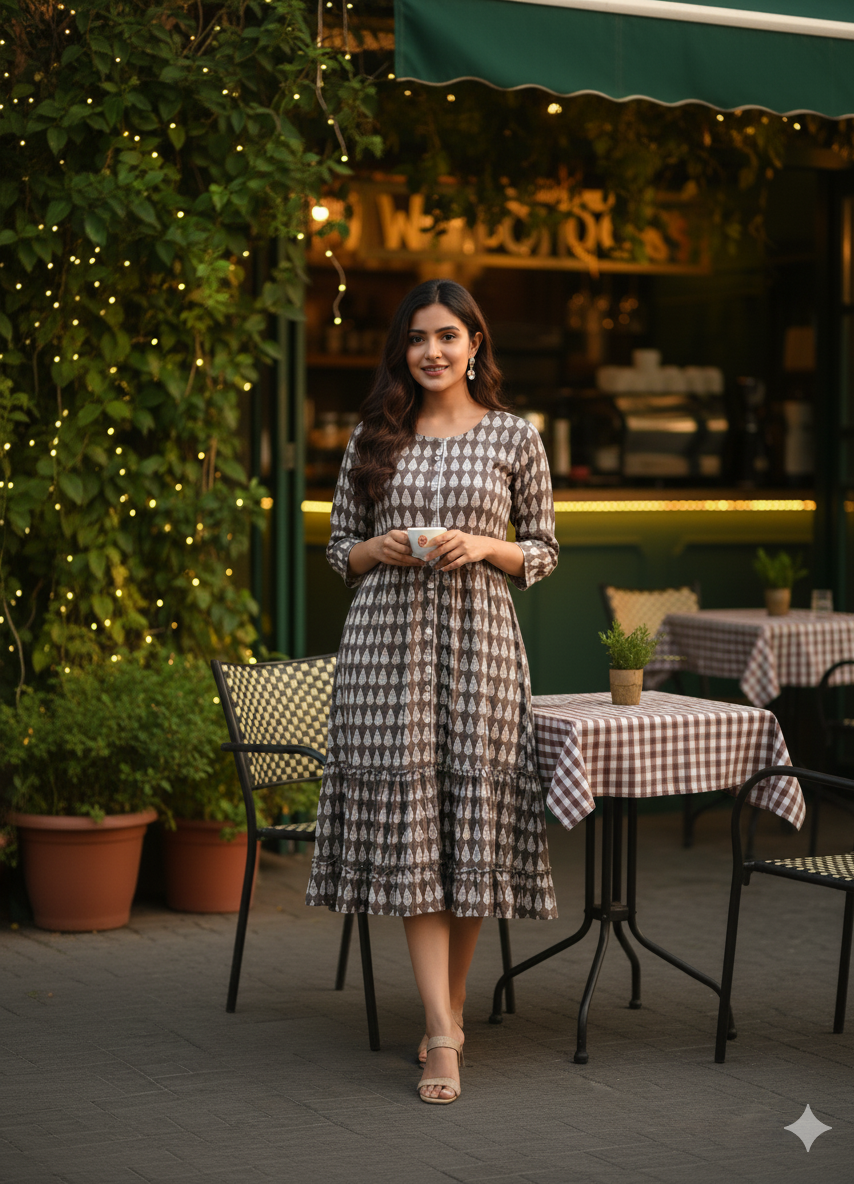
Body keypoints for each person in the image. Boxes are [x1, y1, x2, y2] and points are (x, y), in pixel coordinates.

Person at [306, 278, 559, 1104]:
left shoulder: (516, 437)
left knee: (472, 830)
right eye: (418, 339)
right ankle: (444, 1031)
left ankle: (444, 1010)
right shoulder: (374, 436)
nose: (433, 352)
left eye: (448, 336)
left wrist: (485, 544)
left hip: (483, 647)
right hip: (387, 654)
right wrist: (379, 549)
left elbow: (545, 554)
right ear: (402, 352)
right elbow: (339, 550)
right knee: (418, 835)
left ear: (475, 343)